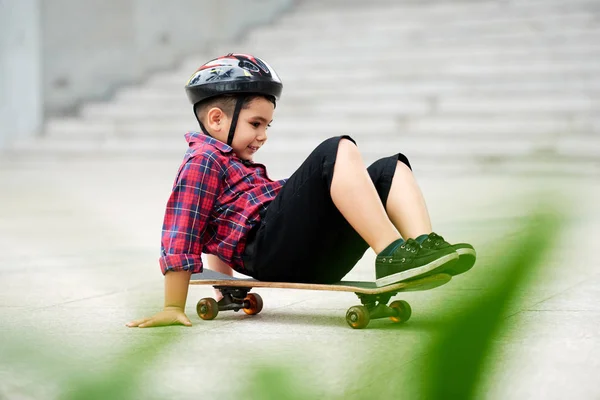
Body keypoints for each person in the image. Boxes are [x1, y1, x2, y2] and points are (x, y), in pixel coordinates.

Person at [127, 53, 476, 328]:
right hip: (272, 252)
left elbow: (219, 225)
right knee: (334, 150)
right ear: (216, 119)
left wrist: (227, 288)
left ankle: (422, 250)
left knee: (388, 168)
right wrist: (173, 306)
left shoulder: (231, 163)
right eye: (255, 124)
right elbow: (186, 227)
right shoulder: (203, 159)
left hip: (305, 255)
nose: (263, 135)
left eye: (267, 125)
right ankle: (392, 252)